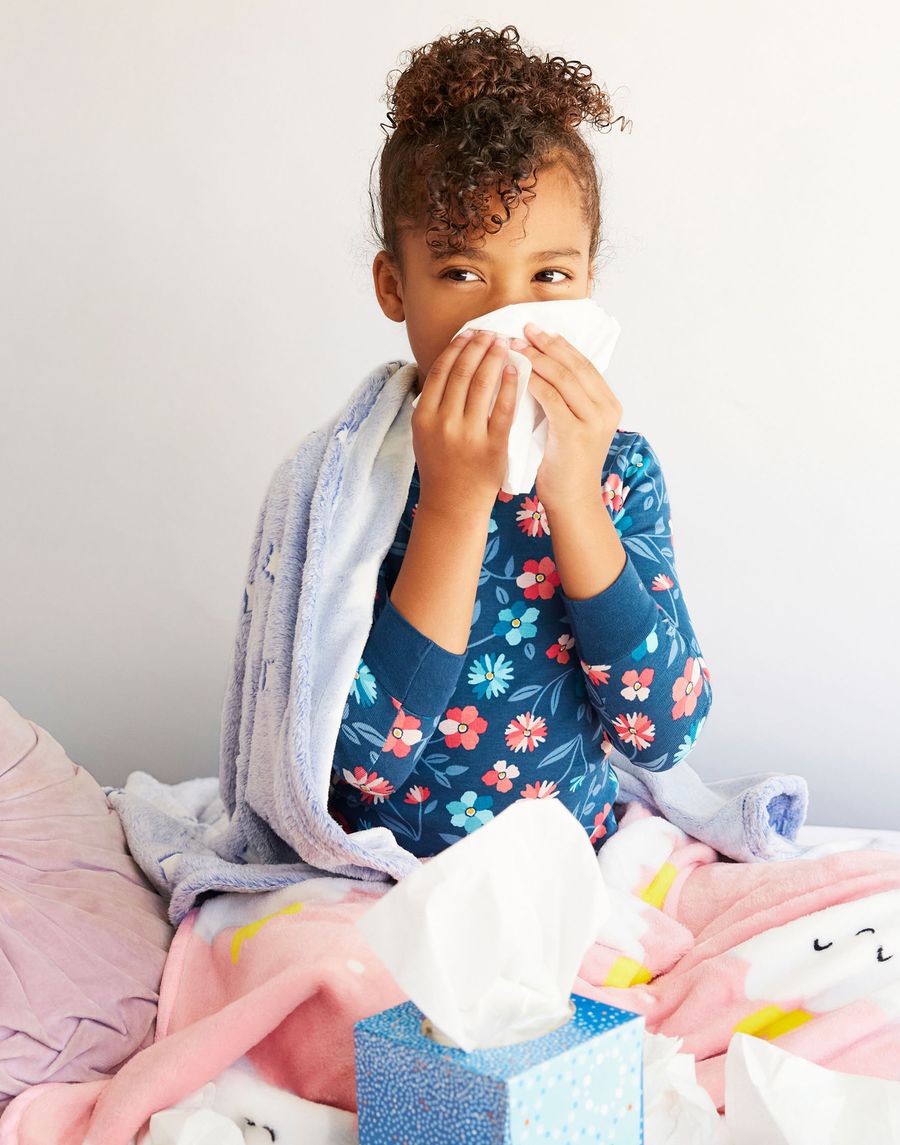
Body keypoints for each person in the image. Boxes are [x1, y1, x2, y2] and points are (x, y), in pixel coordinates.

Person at [327, 24, 712, 857]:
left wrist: (574, 497)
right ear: (395, 286)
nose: (507, 318)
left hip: (576, 869)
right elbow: (360, 767)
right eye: (463, 274)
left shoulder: (621, 471)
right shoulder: (353, 483)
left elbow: (665, 735)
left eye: (548, 277)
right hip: (391, 879)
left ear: (588, 278)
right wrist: (454, 509)